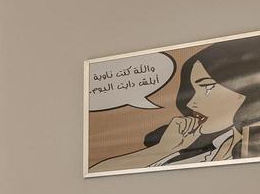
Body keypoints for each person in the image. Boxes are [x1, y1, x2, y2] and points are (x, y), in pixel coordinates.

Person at [91, 36, 260, 172]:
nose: (192, 102)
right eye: (192, 89)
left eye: (207, 88)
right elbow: (96, 174)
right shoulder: (195, 151)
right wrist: (165, 148)